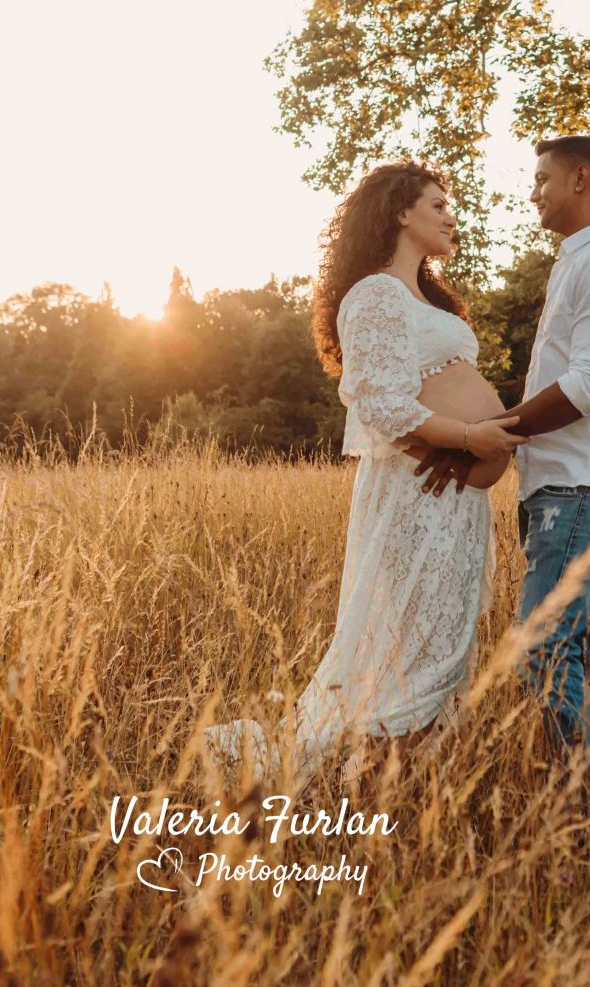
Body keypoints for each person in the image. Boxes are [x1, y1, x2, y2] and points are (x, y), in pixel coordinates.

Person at [203, 160, 524, 793]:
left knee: (442, 642)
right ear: (401, 213)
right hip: (415, 492)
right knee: (407, 644)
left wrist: (489, 438)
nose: (450, 215)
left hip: (454, 496)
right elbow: (379, 401)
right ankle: (363, 785)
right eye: (438, 204)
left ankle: (407, 789)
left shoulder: (429, 298)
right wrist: (469, 436)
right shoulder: (374, 294)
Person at [414, 136, 590, 831]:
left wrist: (496, 433)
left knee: (543, 649)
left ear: (582, 179)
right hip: (564, 487)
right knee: (586, 652)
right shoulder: (580, 261)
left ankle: (587, 814)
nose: (533, 193)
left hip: (578, 489)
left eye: (542, 179)